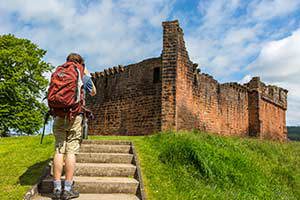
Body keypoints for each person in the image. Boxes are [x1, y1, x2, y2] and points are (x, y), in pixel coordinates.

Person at [51, 53, 96, 199]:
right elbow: (93, 92)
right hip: (75, 116)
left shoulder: (60, 71)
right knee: (71, 151)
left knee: (59, 149)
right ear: (81, 62)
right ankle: (68, 189)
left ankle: (57, 188)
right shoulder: (81, 72)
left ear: (67, 61)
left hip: (58, 115)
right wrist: (86, 74)